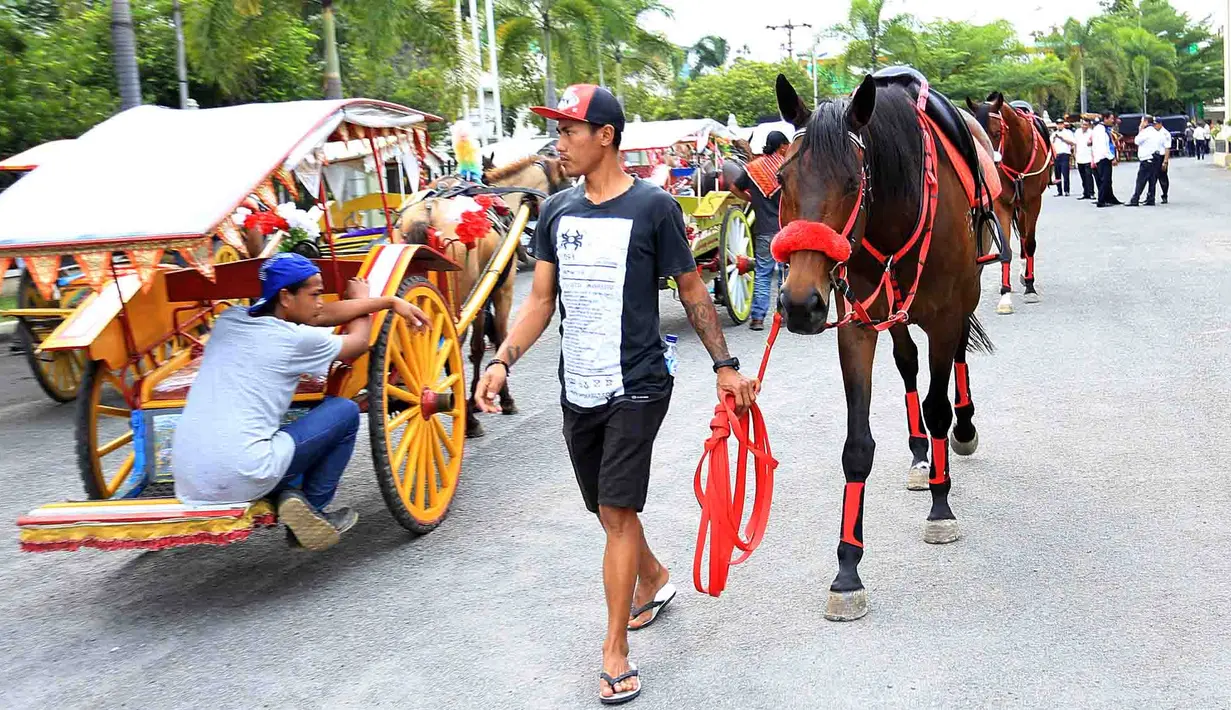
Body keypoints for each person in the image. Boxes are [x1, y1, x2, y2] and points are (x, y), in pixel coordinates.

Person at [475, 84, 759, 705]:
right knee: (606, 510)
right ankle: (653, 577)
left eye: (570, 130)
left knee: (617, 512)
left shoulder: (654, 208)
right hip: (578, 385)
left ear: (605, 136)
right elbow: (541, 302)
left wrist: (725, 366)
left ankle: (614, 651)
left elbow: (692, 291)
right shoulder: (556, 212)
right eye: (558, 131)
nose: (560, 143)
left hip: (638, 383)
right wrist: (502, 359)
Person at [172, 252, 428, 551]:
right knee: (344, 411)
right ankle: (313, 508)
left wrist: (387, 302)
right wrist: (369, 299)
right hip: (245, 472)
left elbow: (318, 315)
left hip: (188, 481)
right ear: (285, 296)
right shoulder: (295, 340)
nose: (320, 302)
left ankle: (285, 493)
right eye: (315, 294)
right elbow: (357, 344)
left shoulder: (229, 321)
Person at [729, 130, 788, 330]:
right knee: (784, 275)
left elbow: (734, 188)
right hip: (784, 229)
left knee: (762, 274)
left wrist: (750, 199)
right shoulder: (786, 169)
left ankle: (757, 318)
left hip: (763, 229)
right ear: (781, 146)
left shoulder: (752, 169)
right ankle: (783, 315)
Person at [1128, 115, 1160, 207]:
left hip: (1147, 158)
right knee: (1152, 180)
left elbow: (1136, 141)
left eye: (1141, 121)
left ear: (1145, 122)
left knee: (1141, 180)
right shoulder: (1155, 131)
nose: (1140, 123)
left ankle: (1135, 199)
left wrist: (1140, 129)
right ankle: (1151, 198)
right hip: (1155, 157)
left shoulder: (1145, 132)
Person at [1093, 111, 1120, 207]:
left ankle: (1110, 198)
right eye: (1111, 118)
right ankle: (1101, 200)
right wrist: (1112, 158)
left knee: (1108, 180)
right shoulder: (1100, 130)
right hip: (1103, 157)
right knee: (1105, 180)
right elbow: (1104, 146)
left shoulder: (1104, 129)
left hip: (1104, 157)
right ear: (1105, 119)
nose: (1113, 120)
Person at [1051, 120, 1076, 196]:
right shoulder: (1054, 133)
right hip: (1056, 155)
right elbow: (1050, 144)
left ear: (1063, 125)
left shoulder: (1068, 133)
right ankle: (1059, 191)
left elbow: (1073, 142)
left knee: (1065, 173)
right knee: (1057, 174)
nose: (1059, 126)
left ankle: (1066, 190)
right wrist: (1054, 138)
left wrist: (1062, 139)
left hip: (1065, 154)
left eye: (1061, 124)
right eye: (1058, 124)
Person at [1074, 118, 1096, 200]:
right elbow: (1075, 144)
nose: (1084, 126)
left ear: (1089, 125)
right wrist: (1075, 155)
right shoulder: (1077, 132)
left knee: (1089, 176)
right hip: (1080, 156)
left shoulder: (1091, 133)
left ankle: (1091, 193)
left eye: (1086, 125)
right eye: (1083, 124)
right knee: (1082, 176)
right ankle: (1085, 192)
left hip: (1088, 157)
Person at [1153, 118, 1171, 204]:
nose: (1154, 125)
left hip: (1161, 157)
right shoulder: (1152, 132)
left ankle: (1164, 195)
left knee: (1163, 178)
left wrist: (1165, 161)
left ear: (1160, 124)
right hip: (1153, 156)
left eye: (1155, 124)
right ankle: (1150, 196)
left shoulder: (1165, 134)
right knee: (1152, 177)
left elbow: (1167, 148)